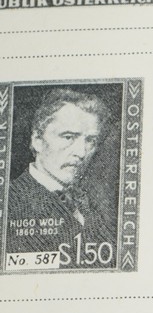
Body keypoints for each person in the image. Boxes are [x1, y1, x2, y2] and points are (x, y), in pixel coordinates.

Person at [6, 88, 114, 263]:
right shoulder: (10, 203)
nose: (81, 152)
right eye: (68, 137)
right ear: (38, 141)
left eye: (90, 141)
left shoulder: (88, 204)